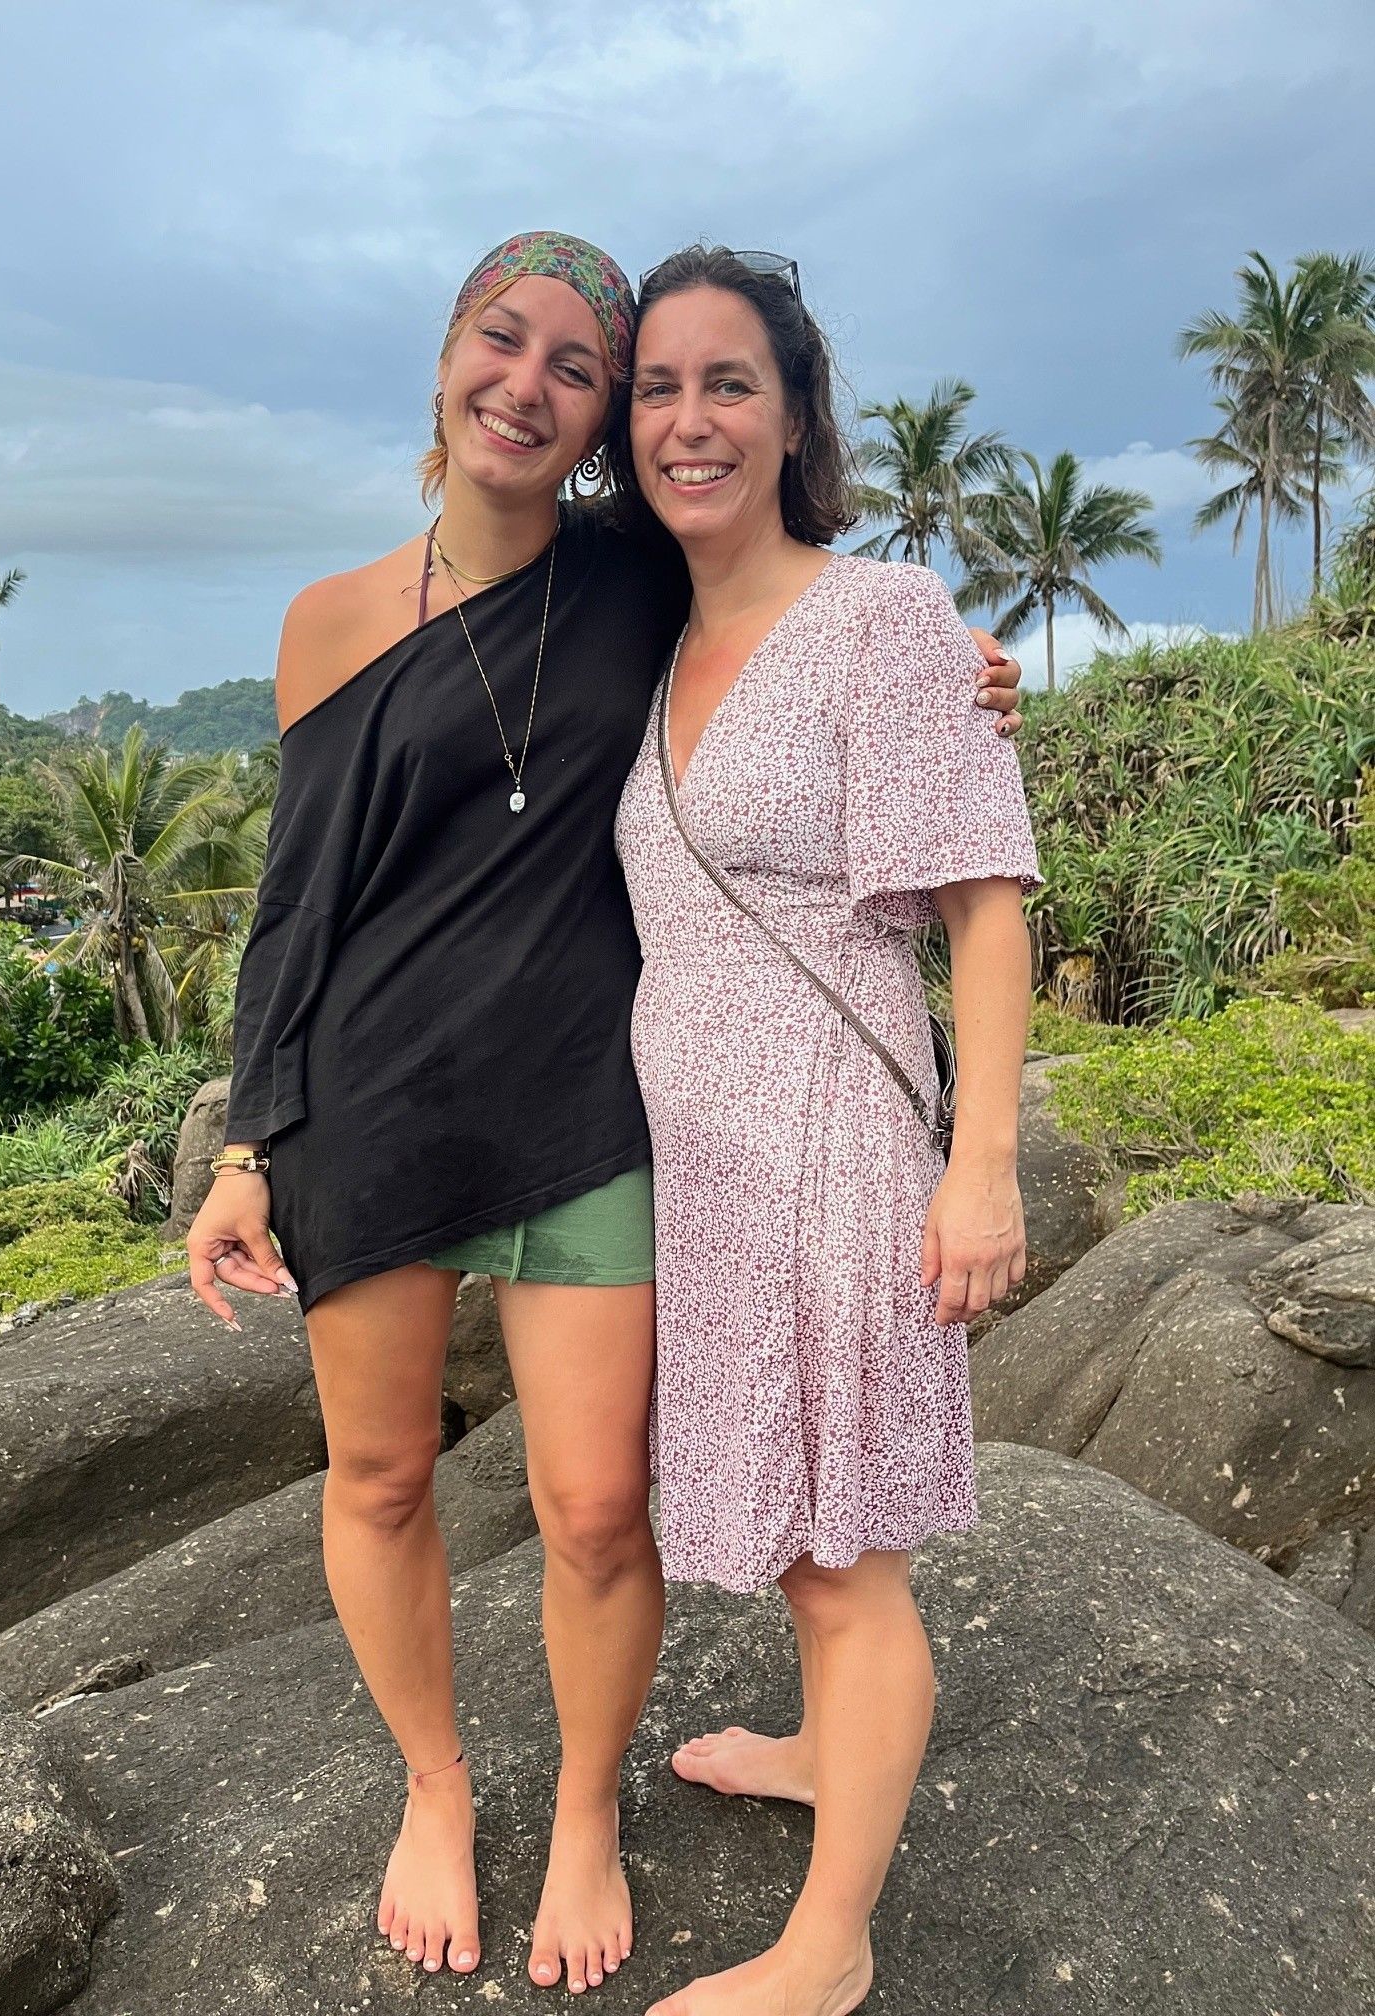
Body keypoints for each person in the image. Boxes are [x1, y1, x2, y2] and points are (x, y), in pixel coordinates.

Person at [185, 231, 1024, 1997]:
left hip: (597, 1113)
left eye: (582, 367)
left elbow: (831, 640)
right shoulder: (334, 620)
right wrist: (248, 1147)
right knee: (381, 1477)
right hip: (380, 1119)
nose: (535, 387)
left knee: (592, 1511)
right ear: (445, 353)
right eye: (509, 342)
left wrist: (966, 672)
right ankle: (435, 1790)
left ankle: (586, 1813)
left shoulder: (638, 579)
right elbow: (294, 903)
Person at [612, 246, 1041, 2016]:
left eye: (730, 382)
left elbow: (988, 902)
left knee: (851, 1556)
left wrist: (984, 1163)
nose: (690, 418)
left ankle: (831, 1947)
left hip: (832, 1151)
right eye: (657, 386)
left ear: (796, 419)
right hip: (708, 1176)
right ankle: (820, 1749)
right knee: (806, 1528)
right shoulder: (650, 639)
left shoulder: (880, 618)